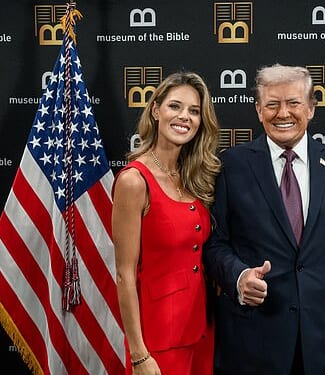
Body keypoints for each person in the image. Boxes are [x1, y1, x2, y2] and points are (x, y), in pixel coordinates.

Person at [203, 64, 325, 375]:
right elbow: (215, 245)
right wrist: (239, 276)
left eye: (293, 103)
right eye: (272, 104)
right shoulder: (230, 166)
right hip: (253, 340)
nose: (283, 113)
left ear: (311, 108)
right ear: (259, 110)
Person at [112, 71, 221, 375]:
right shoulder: (134, 181)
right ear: (156, 110)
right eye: (175, 106)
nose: (184, 117)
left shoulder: (194, 177)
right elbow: (124, 274)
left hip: (201, 330)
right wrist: (138, 354)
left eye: (194, 111)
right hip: (157, 340)